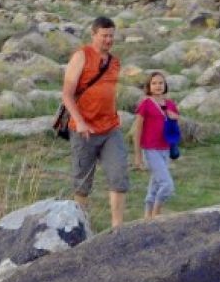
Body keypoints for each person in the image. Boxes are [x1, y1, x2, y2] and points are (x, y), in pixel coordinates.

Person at [61, 16, 128, 229]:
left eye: (111, 36)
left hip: (110, 128)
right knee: (82, 184)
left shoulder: (115, 61)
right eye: (104, 35)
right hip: (83, 130)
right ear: (93, 34)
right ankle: (82, 227)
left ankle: (117, 228)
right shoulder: (81, 56)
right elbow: (67, 94)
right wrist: (79, 121)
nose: (109, 40)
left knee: (119, 176)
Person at [131, 71, 180, 219]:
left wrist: (175, 118)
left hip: (165, 149)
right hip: (150, 149)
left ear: (165, 85)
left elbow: (175, 126)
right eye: (154, 83)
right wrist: (138, 156)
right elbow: (137, 130)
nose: (158, 86)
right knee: (167, 185)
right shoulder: (146, 104)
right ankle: (156, 212)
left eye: (161, 83)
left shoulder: (170, 104)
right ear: (149, 86)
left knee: (155, 185)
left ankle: (147, 216)